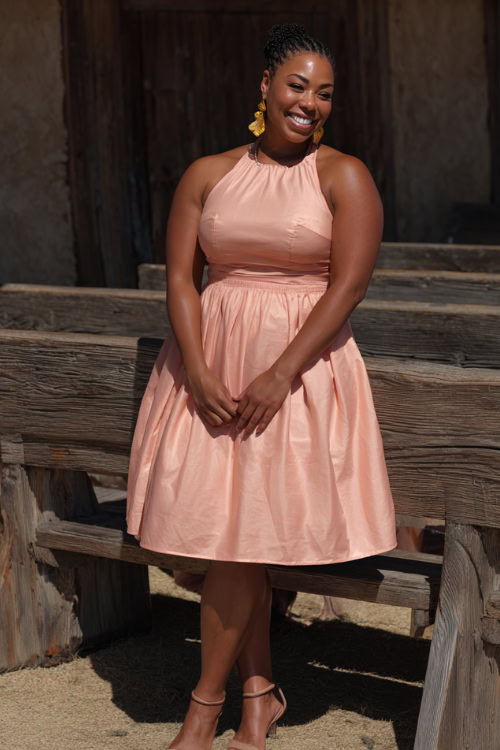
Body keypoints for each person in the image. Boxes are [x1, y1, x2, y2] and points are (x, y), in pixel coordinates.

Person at [126, 22, 397, 750]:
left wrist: (281, 372)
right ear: (266, 88)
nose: (311, 102)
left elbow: (348, 287)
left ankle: (203, 709)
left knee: (240, 542)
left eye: (326, 93)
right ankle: (258, 694)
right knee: (229, 537)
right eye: (298, 85)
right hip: (208, 370)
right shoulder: (208, 174)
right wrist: (199, 368)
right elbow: (182, 279)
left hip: (301, 376)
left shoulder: (343, 175)